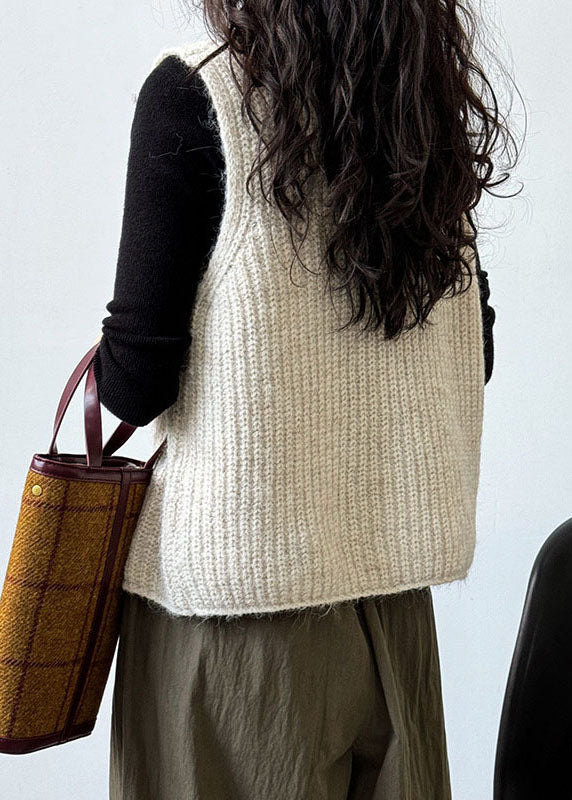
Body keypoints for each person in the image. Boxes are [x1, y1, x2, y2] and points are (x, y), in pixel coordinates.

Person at [93, 2, 516, 797]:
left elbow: (135, 385)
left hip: (237, 634)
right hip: (394, 617)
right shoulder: (421, 107)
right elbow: (473, 353)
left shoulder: (200, 93)